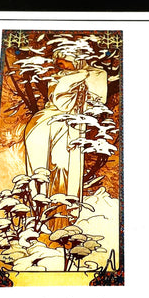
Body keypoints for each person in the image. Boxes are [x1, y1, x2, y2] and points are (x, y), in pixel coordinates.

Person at [23, 49, 107, 227]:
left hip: (72, 125)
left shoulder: (95, 74)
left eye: (63, 62)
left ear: (74, 58)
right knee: (42, 167)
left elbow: (97, 100)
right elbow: (57, 100)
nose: (60, 67)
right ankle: (41, 213)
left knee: (63, 166)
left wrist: (79, 78)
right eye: (58, 64)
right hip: (46, 121)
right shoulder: (59, 77)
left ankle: (62, 218)